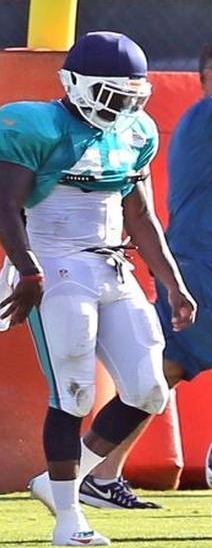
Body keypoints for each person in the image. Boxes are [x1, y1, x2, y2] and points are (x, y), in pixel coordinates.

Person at [0, 31, 195, 547]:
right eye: (112, 94)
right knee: (73, 391)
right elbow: (4, 207)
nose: (121, 106)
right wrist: (26, 269)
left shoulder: (135, 131)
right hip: (54, 265)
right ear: (75, 84)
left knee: (148, 389)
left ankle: (59, 483)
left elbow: (140, 215)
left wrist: (173, 283)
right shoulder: (36, 125)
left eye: (130, 96)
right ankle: (68, 518)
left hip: (111, 265)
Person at [77, 45, 212, 509]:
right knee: (160, 372)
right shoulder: (208, 114)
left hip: (195, 261)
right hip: (204, 263)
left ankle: (92, 472)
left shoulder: (198, 117)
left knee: (161, 374)